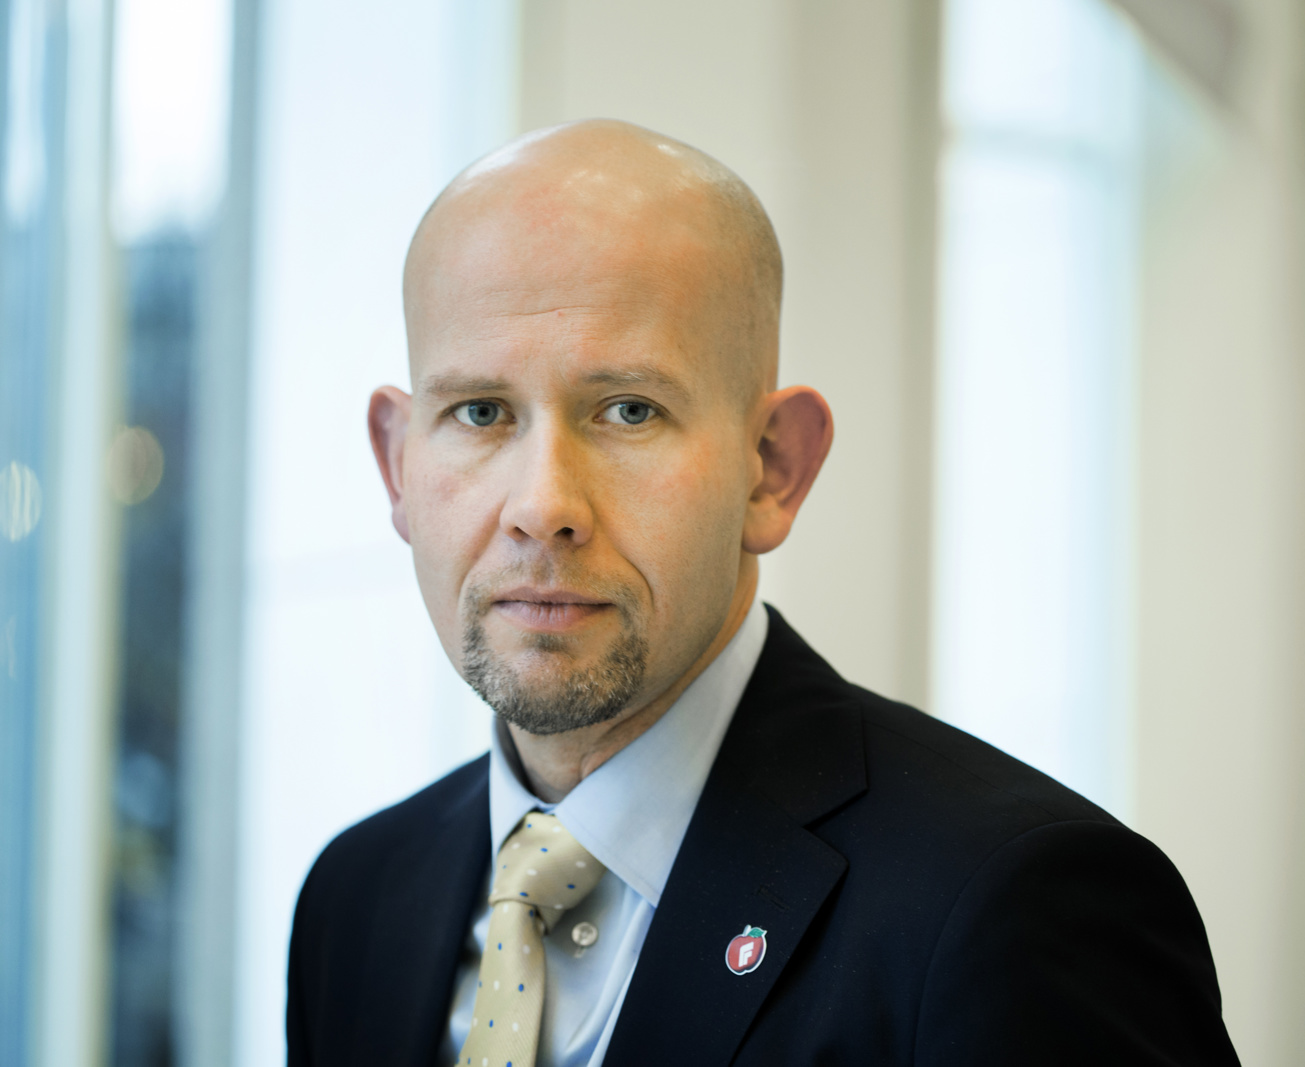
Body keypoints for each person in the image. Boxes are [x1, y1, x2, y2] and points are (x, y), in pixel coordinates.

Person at [286, 119, 1239, 1067]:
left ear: (774, 467)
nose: (543, 508)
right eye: (480, 412)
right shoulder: (356, 898)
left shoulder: (1016, 907)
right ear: (398, 466)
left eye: (628, 410)